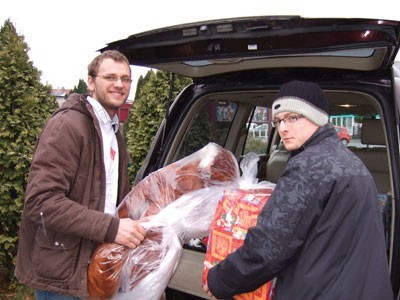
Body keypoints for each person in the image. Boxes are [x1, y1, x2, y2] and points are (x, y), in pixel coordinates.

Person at [204, 80, 393, 299]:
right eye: (278, 120)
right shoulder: (352, 163)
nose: (283, 128)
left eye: (293, 117)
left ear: (316, 117)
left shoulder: (308, 167)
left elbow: (267, 249)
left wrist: (220, 279)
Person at [15, 50, 147, 299]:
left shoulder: (114, 131)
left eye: (125, 79)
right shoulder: (68, 126)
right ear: (90, 81)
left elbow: (108, 200)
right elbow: (41, 202)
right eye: (110, 77)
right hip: (62, 275)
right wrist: (112, 228)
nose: (119, 85)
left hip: (96, 267)